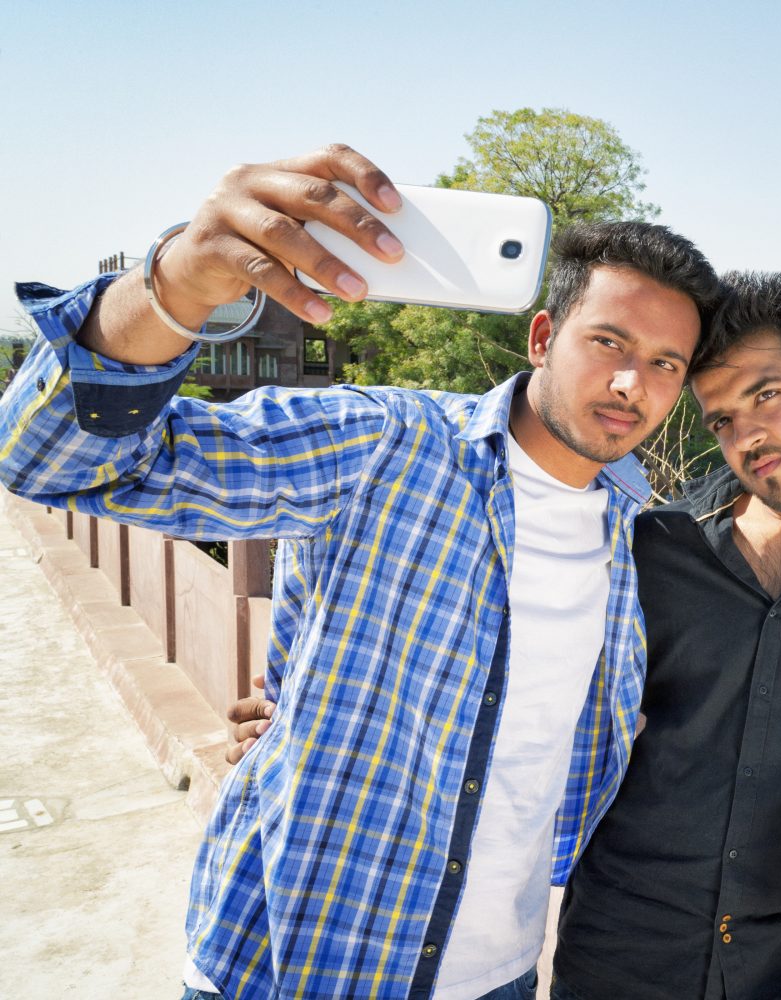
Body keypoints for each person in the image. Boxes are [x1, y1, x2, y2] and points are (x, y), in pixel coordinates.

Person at [230, 272, 781, 998]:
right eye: (721, 418)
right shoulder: (647, 545)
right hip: (619, 959)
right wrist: (308, 720)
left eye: (769, 397)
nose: (747, 437)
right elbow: (499, 657)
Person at [0, 145, 720, 1000]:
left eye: (666, 363)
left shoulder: (640, 531)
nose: (632, 382)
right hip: (301, 963)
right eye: (609, 341)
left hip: (501, 973)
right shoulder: (383, 443)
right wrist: (177, 283)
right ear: (541, 335)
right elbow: (50, 463)